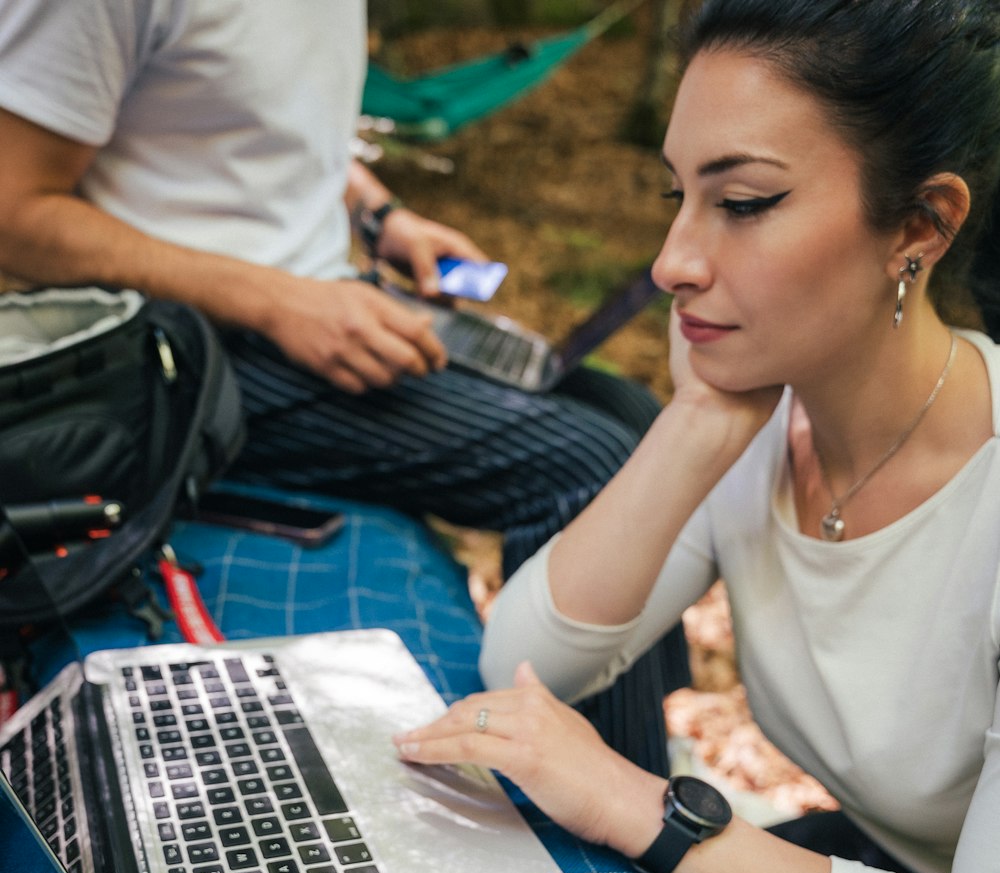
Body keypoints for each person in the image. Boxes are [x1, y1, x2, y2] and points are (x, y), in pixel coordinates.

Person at [393, 0, 1000, 873]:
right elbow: (524, 662)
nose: (673, 259)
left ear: (918, 227)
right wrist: (693, 422)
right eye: (676, 194)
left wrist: (644, 802)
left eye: (744, 200)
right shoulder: (771, 421)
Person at [0, 0, 689, 767]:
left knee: (632, 412)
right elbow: (12, 209)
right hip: (183, 358)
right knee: (587, 466)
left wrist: (382, 215)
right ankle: (613, 806)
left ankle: (647, 736)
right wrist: (277, 299)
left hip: (325, 294)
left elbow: (261, 125)